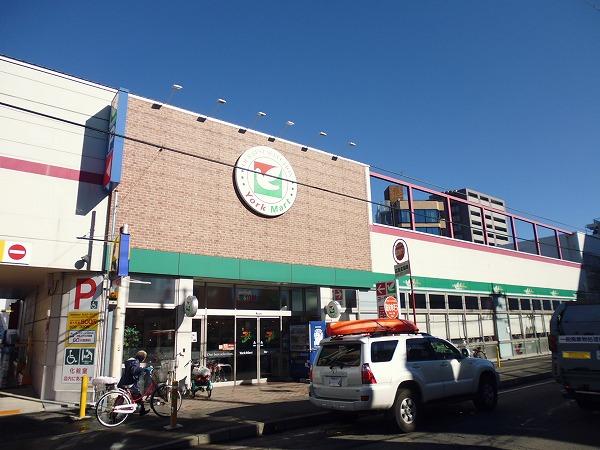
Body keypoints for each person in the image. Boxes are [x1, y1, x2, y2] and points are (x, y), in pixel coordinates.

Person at [118, 350, 150, 416]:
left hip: (124, 381)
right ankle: (141, 411)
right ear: (142, 357)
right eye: (144, 358)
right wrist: (143, 369)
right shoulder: (135, 362)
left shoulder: (131, 360)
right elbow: (134, 370)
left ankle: (113, 414)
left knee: (121, 398)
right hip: (130, 383)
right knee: (138, 396)